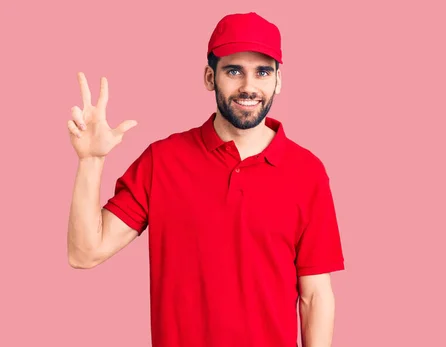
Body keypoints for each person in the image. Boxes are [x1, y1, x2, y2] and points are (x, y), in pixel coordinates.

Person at [66, 12, 345, 347]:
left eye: (262, 72)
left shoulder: (307, 172)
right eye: (233, 70)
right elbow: (84, 253)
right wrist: (91, 161)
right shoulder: (163, 161)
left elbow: (315, 297)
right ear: (210, 77)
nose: (248, 86)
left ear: (278, 81)